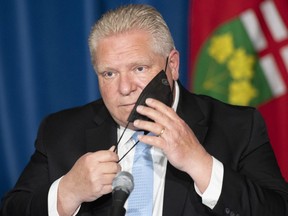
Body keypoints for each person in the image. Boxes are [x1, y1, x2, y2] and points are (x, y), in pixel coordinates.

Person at [1, 4, 288, 216]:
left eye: (138, 69)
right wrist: (67, 192)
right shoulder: (60, 131)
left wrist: (201, 164)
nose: (124, 88)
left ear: (171, 66)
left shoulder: (238, 125)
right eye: (109, 74)